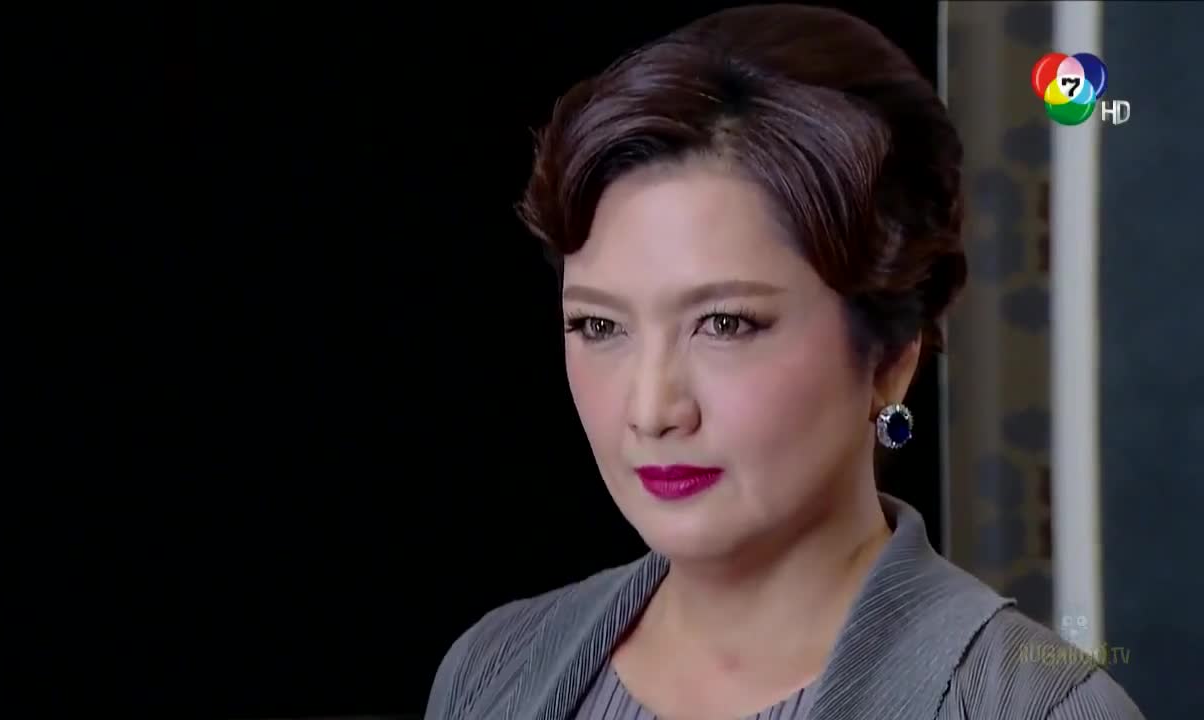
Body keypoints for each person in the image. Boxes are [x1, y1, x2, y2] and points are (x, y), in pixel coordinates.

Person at [425, 5, 1144, 719]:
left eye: (724, 323)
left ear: (891, 357)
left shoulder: (1033, 705)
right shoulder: (493, 669)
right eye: (599, 325)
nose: (651, 410)